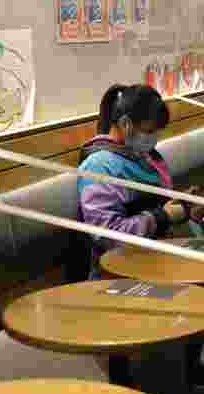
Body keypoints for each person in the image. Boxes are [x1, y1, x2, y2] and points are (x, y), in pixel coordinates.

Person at [77, 84, 196, 281]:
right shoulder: (98, 167)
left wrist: (179, 207)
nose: (154, 139)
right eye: (149, 131)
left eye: (157, 132)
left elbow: (155, 202)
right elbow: (109, 237)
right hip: (123, 273)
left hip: (157, 259)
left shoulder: (145, 157)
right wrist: (163, 217)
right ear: (125, 124)